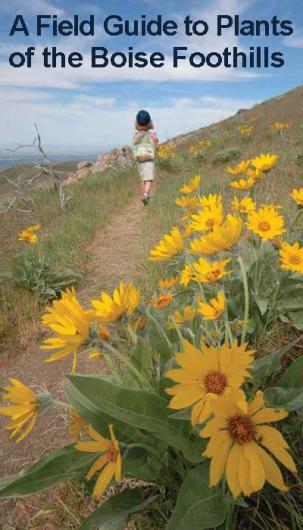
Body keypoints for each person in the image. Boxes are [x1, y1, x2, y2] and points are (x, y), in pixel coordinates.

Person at [132, 110, 158, 205]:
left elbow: (133, 146)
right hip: (149, 159)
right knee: (149, 179)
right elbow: (156, 145)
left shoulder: (135, 135)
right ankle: (146, 194)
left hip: (139, 160)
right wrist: (155, 141)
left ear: (137, 123)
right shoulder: (151, 135)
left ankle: (144, 195)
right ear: (149, 123)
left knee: (143, 179)